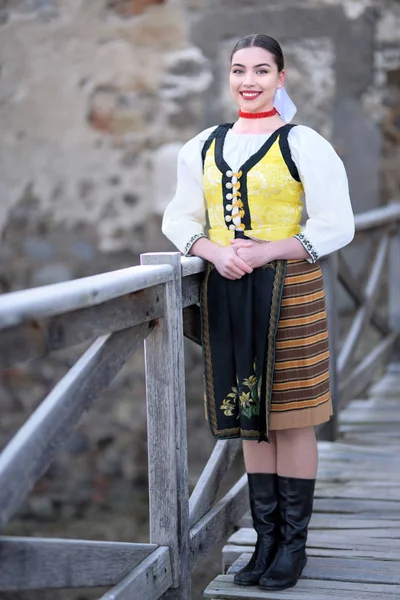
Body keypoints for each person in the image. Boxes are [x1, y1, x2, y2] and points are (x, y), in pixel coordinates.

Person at [162, 33, 354, 592]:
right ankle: (264, 544)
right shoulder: (201, 145)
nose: (249, 81)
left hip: (288, 287)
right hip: (228, 288)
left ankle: (292, 549)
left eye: (262, 70)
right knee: (250, 413)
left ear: (281, 78)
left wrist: (268, 249)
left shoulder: (304, 143)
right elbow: (179, 217)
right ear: (229, 77)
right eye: (239, 70)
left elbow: (336, 222)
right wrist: (213, 251)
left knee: (291, 417)